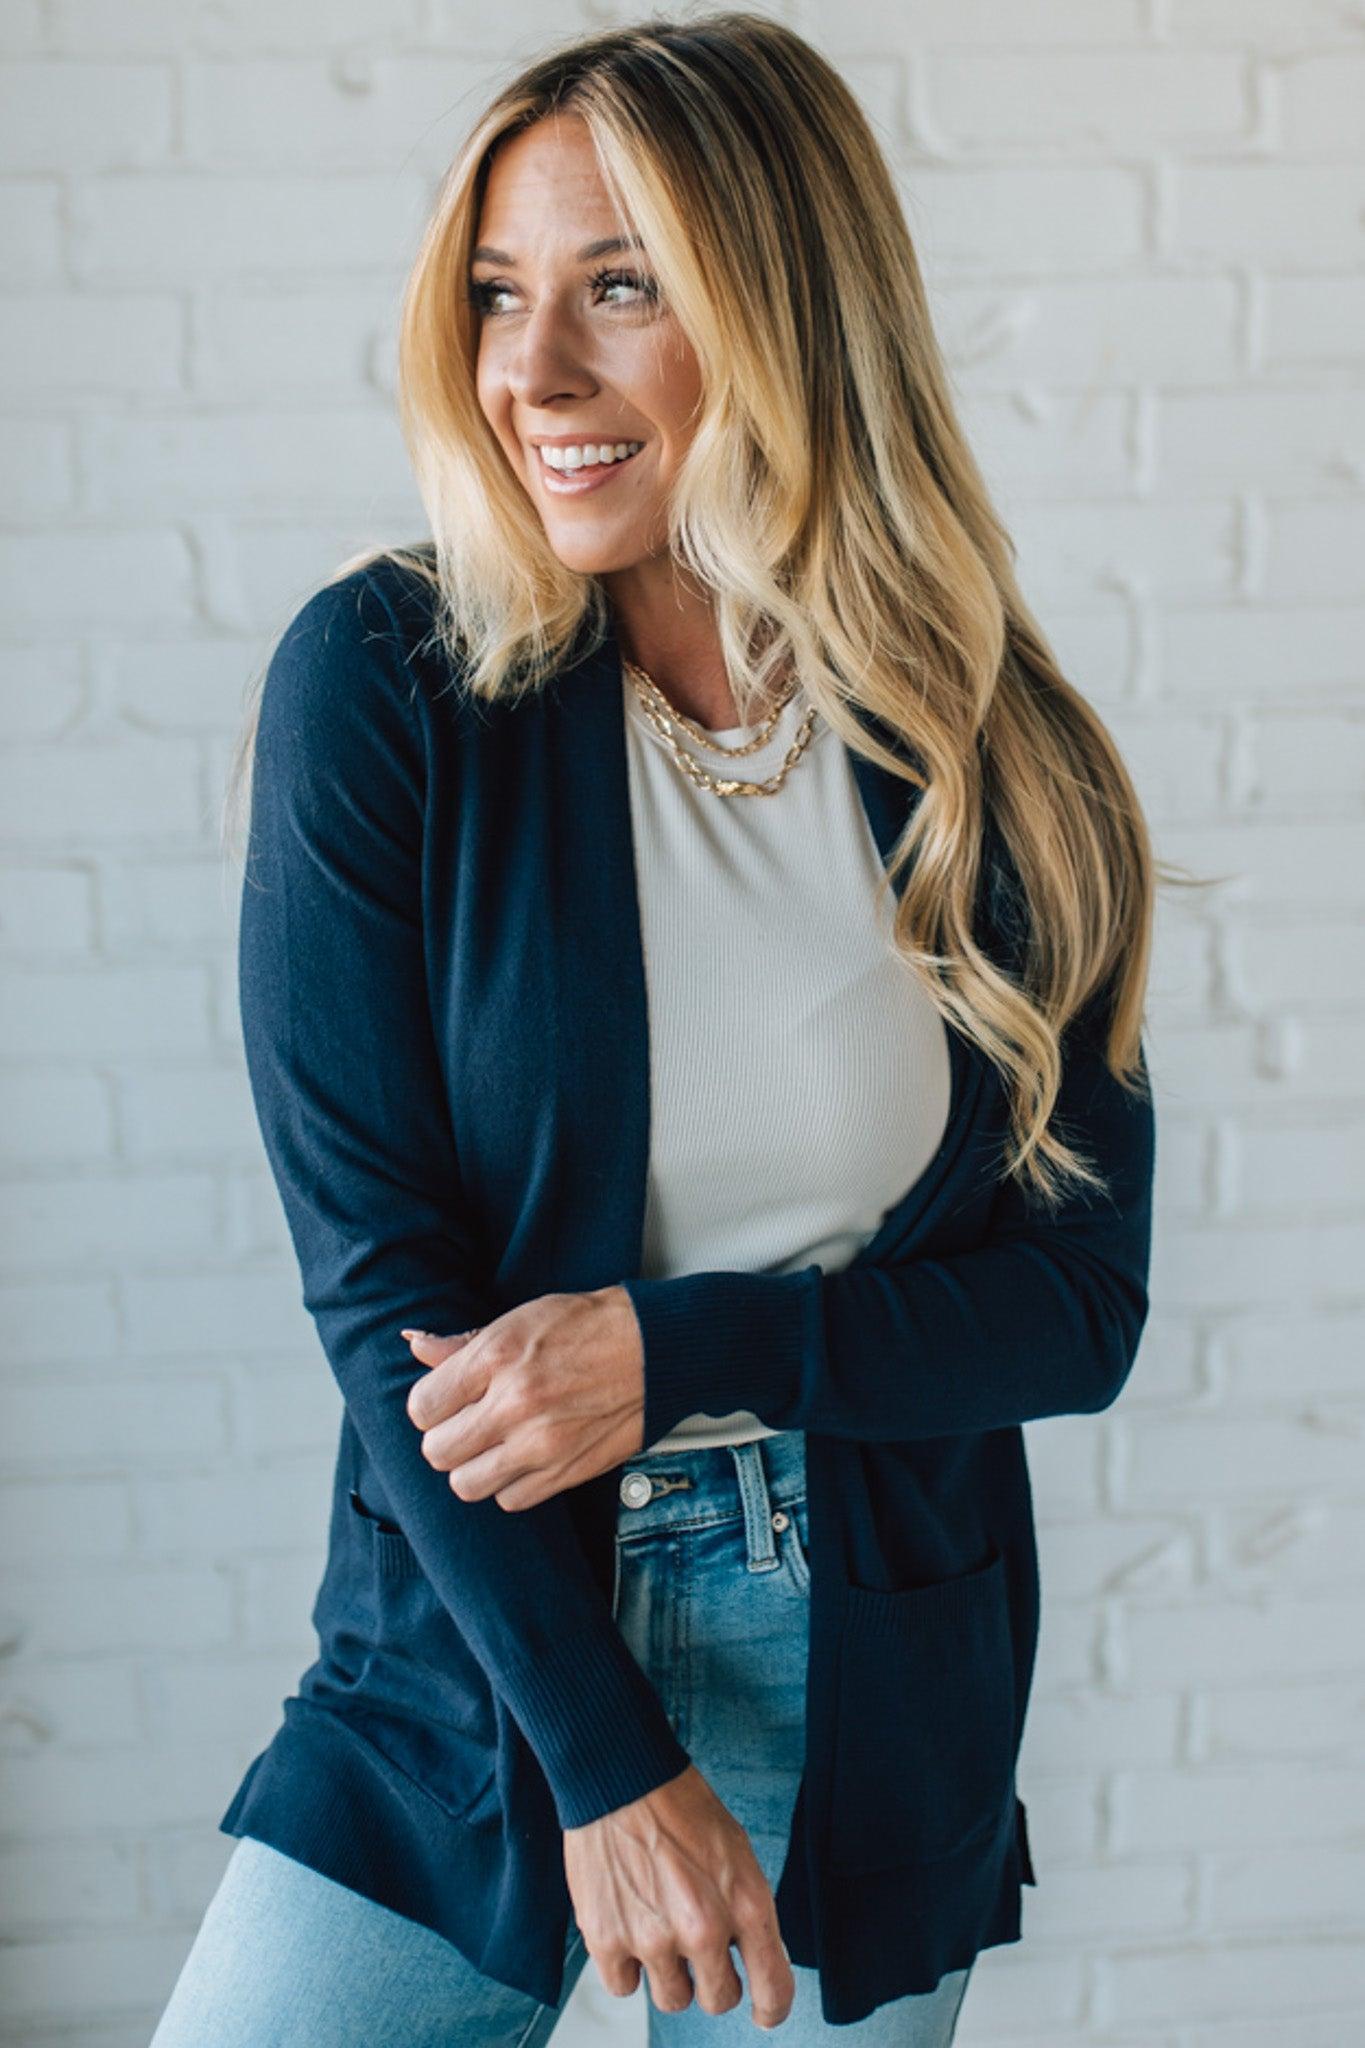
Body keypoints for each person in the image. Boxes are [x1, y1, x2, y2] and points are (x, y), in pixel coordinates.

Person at [150, 11, 1161, 2044]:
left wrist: (678, 1348)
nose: (531, 375)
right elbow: (383, 1287)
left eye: (619, 288)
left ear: (787, 310)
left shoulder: (990, 755)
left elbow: (1078, 1309)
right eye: (500, 295)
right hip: (469, 1649)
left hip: (868, 1646)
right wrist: (606, 1761)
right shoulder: (387, 688)